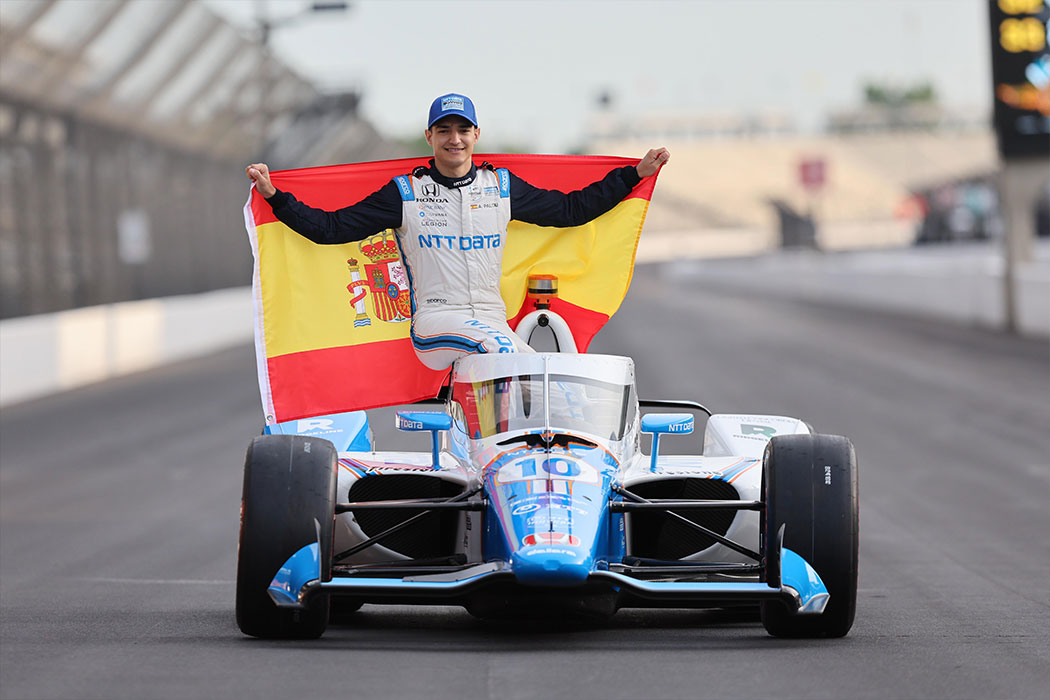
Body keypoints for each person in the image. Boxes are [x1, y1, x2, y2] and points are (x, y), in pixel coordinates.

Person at [247, 93, 668, 371]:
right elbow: (330, 229)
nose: (455, 139)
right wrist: (275, 196)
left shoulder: (501, 187)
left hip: (491, 321)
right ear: (430, 136)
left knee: (549, 373)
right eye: (444, 130)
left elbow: (573, 209)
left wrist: (634, 175)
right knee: (505, 356)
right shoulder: (405, 193)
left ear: (476, 135)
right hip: (435, 322)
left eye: (463, 129)